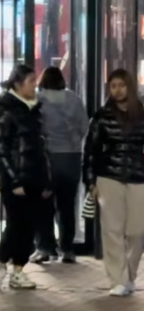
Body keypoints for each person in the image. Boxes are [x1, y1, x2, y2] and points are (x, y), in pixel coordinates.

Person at [83, 69, 144, 297]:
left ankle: (129, 274)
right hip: (108, 176)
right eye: (113, 86)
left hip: (139, 176)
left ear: (129, 87)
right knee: (112, 230)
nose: (117, 89)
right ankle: (118, 279)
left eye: (121, 85)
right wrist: (90, 181)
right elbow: (90, 150)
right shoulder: (101, 116)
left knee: (138, 230)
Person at [0, 64, 52, 290]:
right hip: (16, 179)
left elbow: (42, 146)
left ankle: (18, 271)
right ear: (18, 84)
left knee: (28, 226)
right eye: (31, 81)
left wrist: (46, 178)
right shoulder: (7, 110)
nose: (35, 85)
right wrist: (14, 179)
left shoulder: (35, 110)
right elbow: (2, 149)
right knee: (16, 225)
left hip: (35, 177)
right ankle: (3, 261)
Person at [31, 66, 89, 264]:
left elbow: (34, 129)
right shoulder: (74, 99)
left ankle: (45, 248)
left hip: (48, 159)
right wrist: (71, 142)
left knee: (44, 205)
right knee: (67, 206)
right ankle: (67, 249)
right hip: (72, 158)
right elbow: (84, 126)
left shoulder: (38, 100)